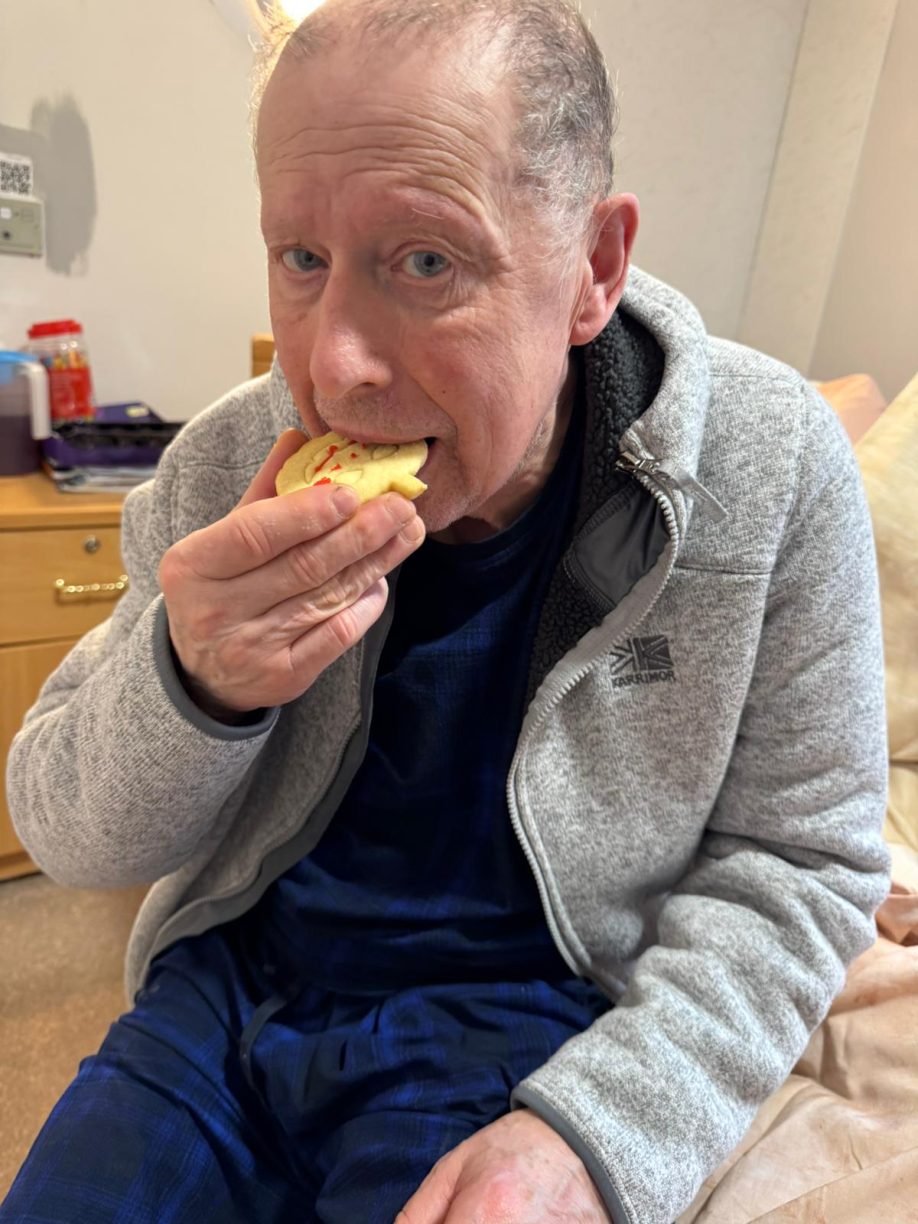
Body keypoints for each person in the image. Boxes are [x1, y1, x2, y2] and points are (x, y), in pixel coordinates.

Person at [3, 1, 890, 1221]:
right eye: (300, 258)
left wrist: (600, 1133)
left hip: (526, 1004)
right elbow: (66, 837)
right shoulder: (222, 470)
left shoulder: (772, 467)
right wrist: (190, 681)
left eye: (426, 261)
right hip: (232, 986)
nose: (332, 367)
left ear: (594, 268)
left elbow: (807, 854)